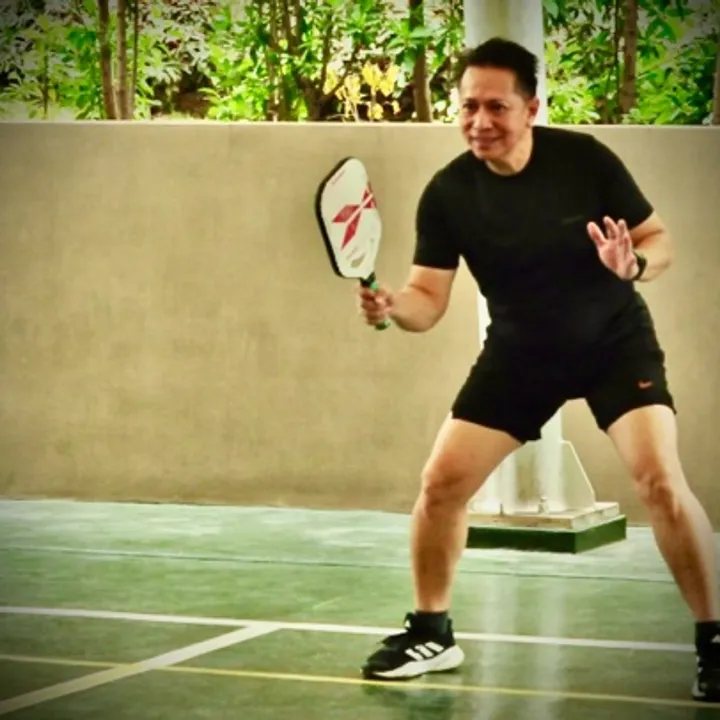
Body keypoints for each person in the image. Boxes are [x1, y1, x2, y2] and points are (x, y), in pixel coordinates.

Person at [356, 37, 720, 702]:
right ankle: (432, 632)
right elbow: (426, 300)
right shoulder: (448, 193)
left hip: (613, 342)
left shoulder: (584, 160)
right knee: (441, 484)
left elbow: (657, 240)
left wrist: (633, 264)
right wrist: (390, 307)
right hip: (521, 354)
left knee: (659, 479)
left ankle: (715, 639)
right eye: (468, 106)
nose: (479, 121)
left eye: (496, 106)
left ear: (532, 109)